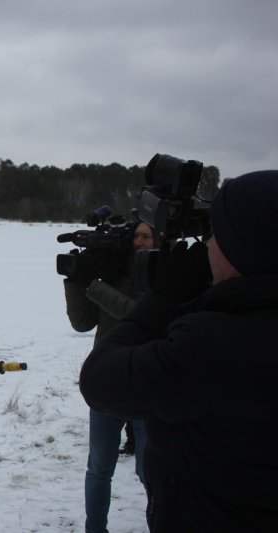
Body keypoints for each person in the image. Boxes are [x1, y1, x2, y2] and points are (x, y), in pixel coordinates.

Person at [80, 170, 278, 531]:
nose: (207, 246)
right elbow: (82, 321)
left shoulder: (211, 345)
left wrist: (165, 299)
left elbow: (97, 381)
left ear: (243, 247)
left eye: (215, 234)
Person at [63, 221, 156, 533]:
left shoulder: (161, 277)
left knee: (149, 470)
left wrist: (94, 285)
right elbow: (82, 322)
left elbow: (137, 314)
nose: (140, 242)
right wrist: (76, 279)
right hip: (107, 382)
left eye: (147, 236)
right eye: (136, 237)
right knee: (99, 467)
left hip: (146, 384)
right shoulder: (113, 272)